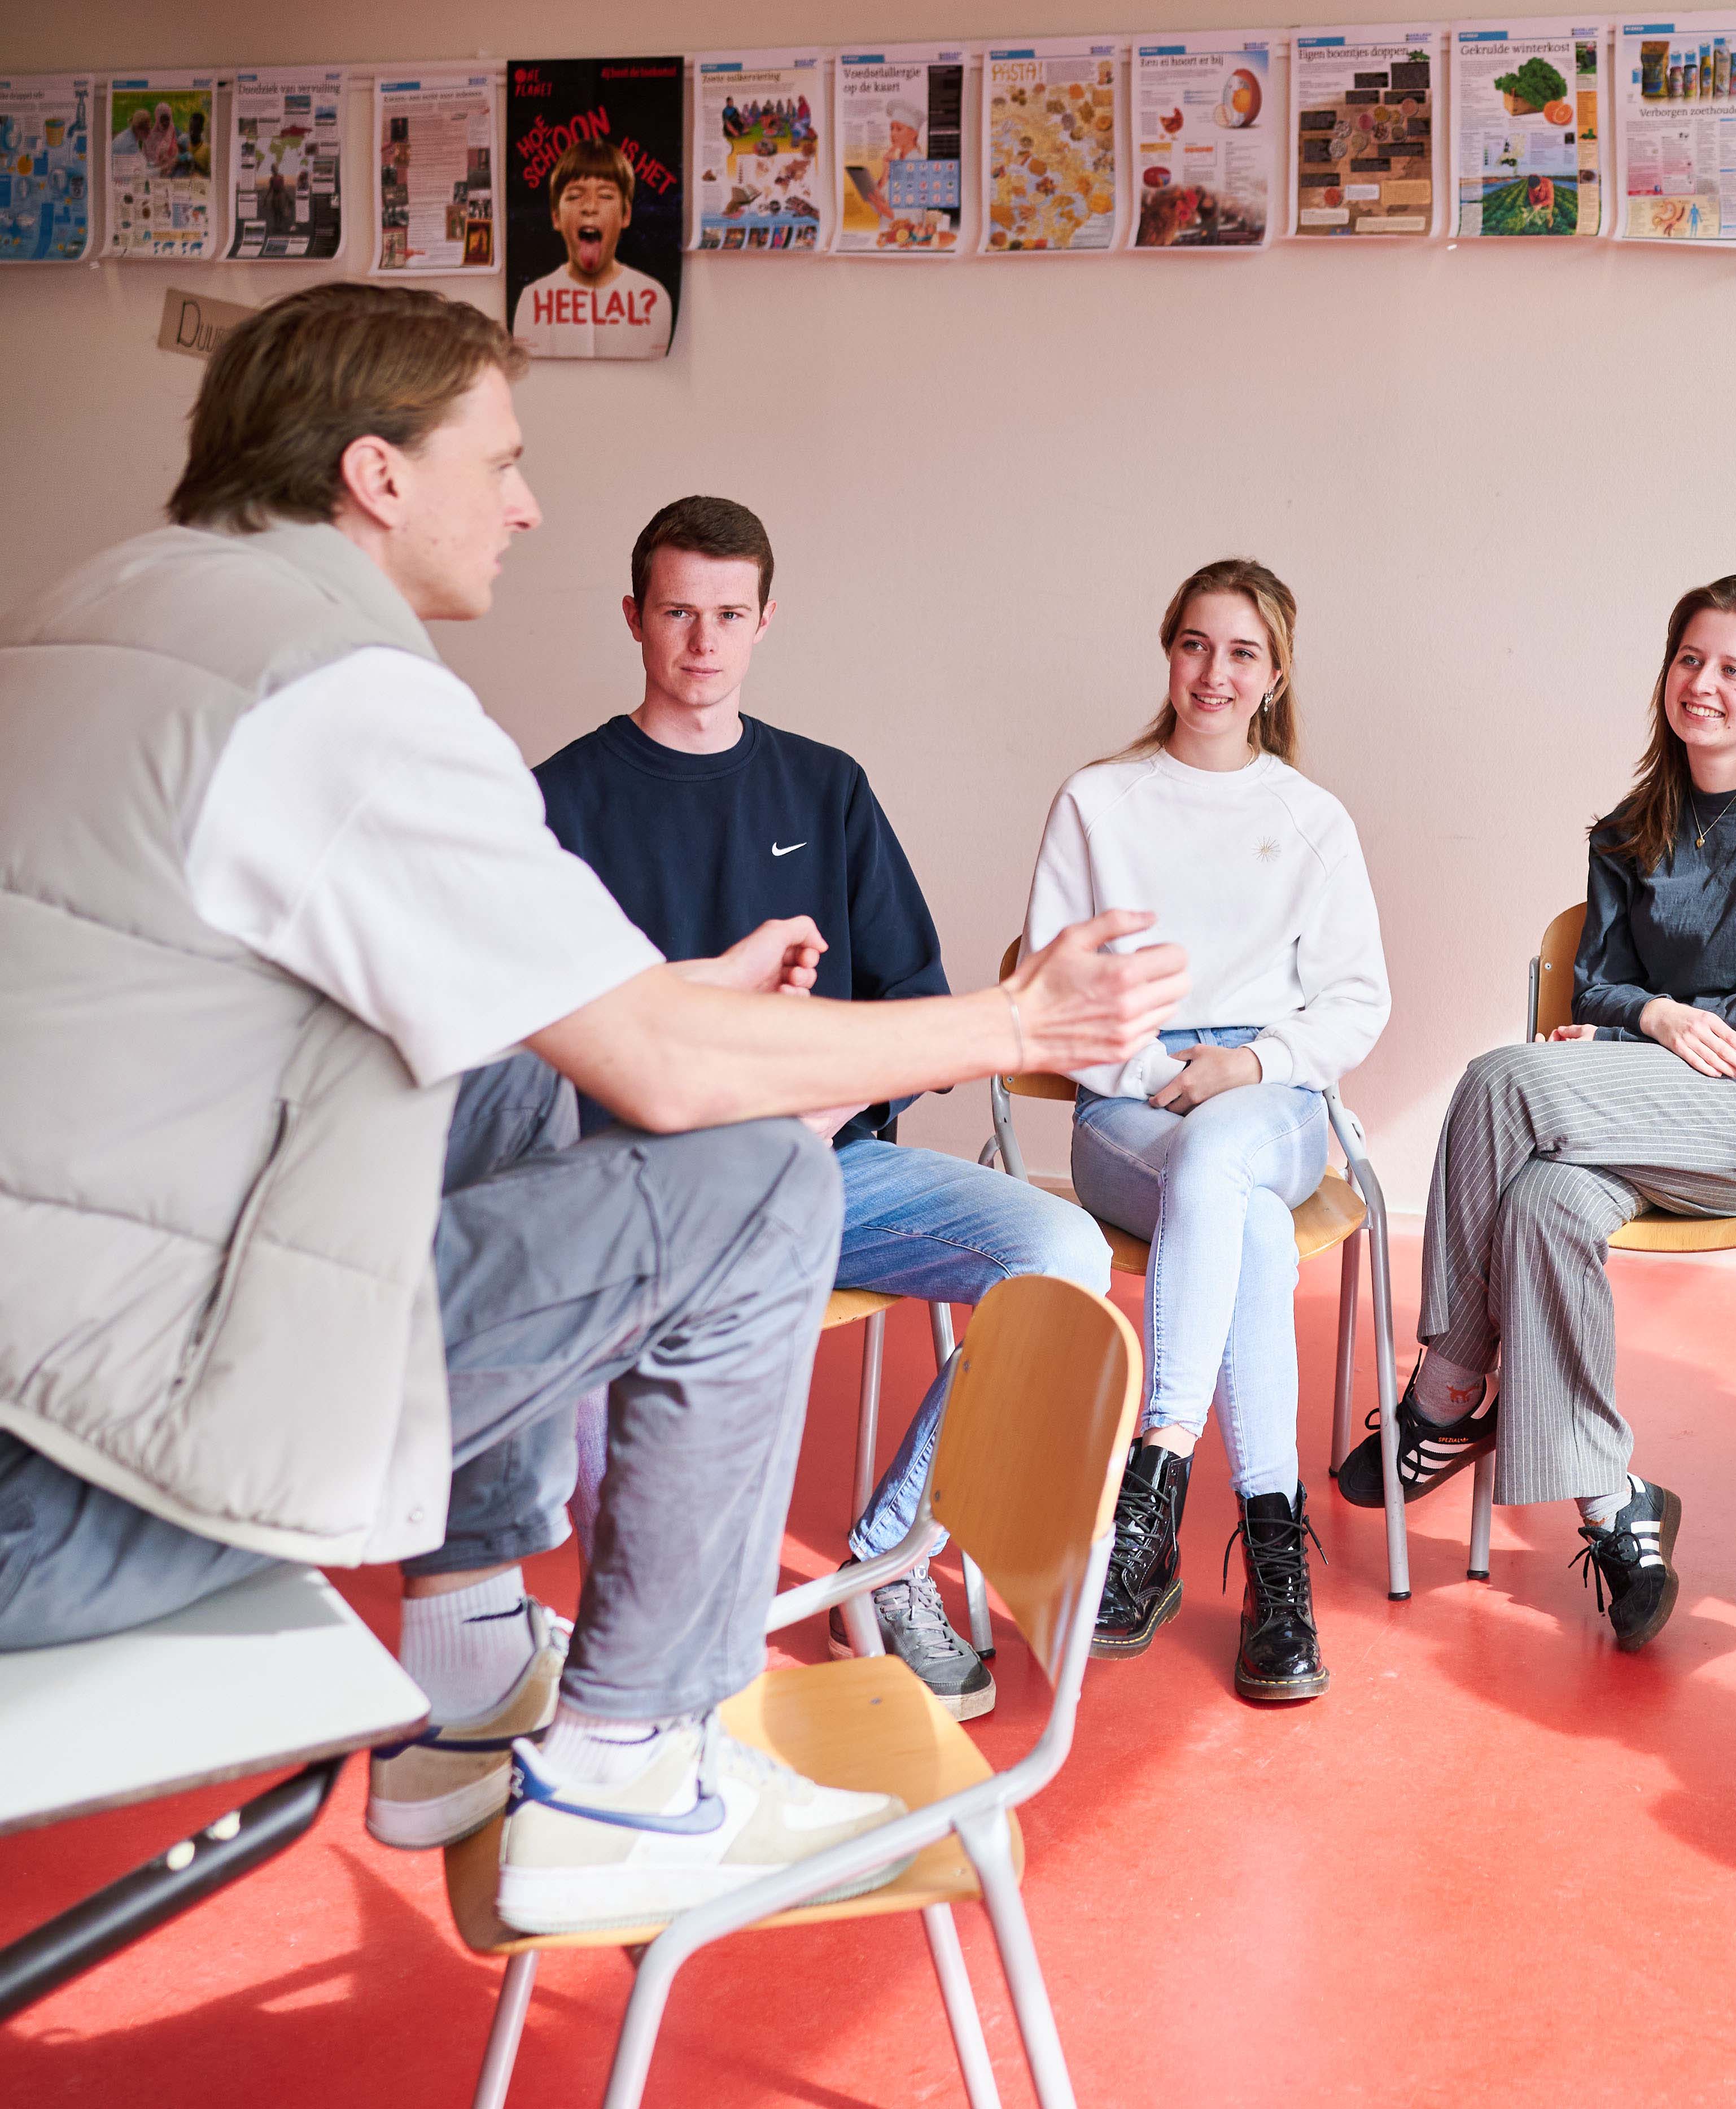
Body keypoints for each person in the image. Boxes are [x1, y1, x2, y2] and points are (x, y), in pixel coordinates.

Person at [0, 284, 1183, 1936]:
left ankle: (473, 1671)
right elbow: (673, 1076)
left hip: (55, 1375)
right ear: (377, 476)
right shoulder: (341, 695)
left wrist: (665, 988)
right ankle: (632, 1770)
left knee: (494, 1076)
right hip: (71, 1485)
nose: (528, 502)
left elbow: (462, 1017)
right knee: (761, 1181)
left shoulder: (100, 612)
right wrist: (1013, 1019)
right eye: (501, 455)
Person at [535, 494, 1118, 1723]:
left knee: (1060, 1250)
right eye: (678, 612)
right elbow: (543, 1045)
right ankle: (636, 1678)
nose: (703, 641)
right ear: (635, 618)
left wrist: (817, 1099)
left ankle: (887, 1555)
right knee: (597, 1462)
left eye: (729, 615)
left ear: (765, 621)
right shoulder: (560, 802)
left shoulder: (826, 786)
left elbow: (913, 999)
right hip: (642, 1192)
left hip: (831, 1169)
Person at [1332, 574, 1736, 1653]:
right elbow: (1594, 992)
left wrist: (1648, 1031)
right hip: (1660, 1115)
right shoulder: (1631, 830)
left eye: (1731, 669)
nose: (1702, 686)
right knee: (1539, 1202)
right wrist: (1651, 1018)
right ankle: (1611, 1503)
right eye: (1687, 660)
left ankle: (1441, 1395)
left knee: (1498, 1080)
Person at [1029, 558, 1390, 1701]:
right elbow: (1055, 986)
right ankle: (1275, 1554)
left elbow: (1354, 999)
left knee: (1230, 1153)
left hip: (1269, 1095)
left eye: (1240, 652)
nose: (1213, 672)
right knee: (1240, 1213)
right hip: (1126, 1104)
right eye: (1195, 644)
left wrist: (1247, 1065)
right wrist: (1152, 1069)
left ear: (1275, 672)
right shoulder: (1098, 800)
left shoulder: (1311, 817)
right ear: (1166, 649)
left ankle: (1157, 1480)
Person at [509, 137, 674, 360]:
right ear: (556, 217)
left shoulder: (654, 298)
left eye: (605, 196)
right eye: (575, 196)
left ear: (626, 214)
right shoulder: (532, 299)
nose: (590, 207)